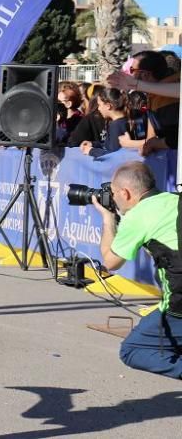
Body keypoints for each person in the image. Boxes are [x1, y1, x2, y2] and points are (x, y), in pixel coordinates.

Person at [92, 161, 181, 380]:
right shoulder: (175, 199)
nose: (112, 198)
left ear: (125, 192)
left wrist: (107, 218)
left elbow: (111, 262)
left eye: (113, 193)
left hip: (179, 306)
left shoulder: (138, 216)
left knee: (132, 350)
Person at [79, 88, 130, 158]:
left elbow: (112, 156)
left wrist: (91, 151)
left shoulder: (116, 126)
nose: (98, 108)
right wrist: (93, 144)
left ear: (108, 106)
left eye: (99, 105)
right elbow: (109, 145)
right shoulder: (122, 121)